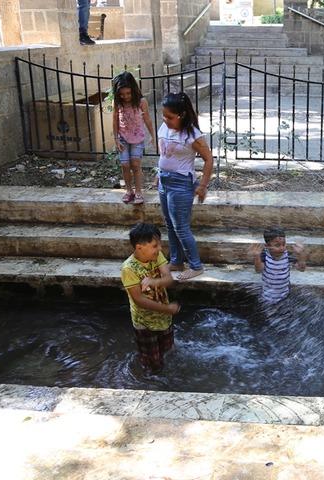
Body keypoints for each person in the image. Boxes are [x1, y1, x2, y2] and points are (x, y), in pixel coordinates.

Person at [156, 92, 214, 281]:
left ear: (181, 115)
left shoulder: (193, 135)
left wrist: (203, 185)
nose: (166, 120)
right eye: (163, 115)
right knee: (170, 225)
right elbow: (164, 154)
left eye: (170, 117)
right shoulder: (164, 127)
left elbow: (208, 160)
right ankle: (176, 260)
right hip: (164, 182)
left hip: (180, 184)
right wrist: (158, 174)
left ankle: (196, 266)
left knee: (181, 227)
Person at [121, 223, 181, 372]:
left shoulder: (157, 255)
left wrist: (155, 281)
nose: (160, 249)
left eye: (159, 244)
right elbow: (139, 300)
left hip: (164, 318)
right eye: (155, 246)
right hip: (144, 323)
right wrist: (167, 308)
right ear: (139, 247)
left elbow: (169, 279)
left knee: (168, 351)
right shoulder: (128, 269)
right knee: (152, 362)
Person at [112, 72, 156, 205]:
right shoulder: (117, 103)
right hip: (123, 138)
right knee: (125, 165)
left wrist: (153, 136)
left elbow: (147, 119)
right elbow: (115, 120)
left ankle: (138, 191)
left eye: (128, 93)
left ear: (133, 90)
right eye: (122, 94)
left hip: (137, 139)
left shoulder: (141, 102)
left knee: (136, 165)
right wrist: (116, 139)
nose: (125, 97)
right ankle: (128, 191)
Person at [248, 227, 307, 305]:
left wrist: (301, 255)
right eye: (277, 245)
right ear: (267, 246)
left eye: (284, 244)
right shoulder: (264, 255)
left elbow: (301, 269)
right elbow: (259, 270)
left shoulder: (288, 255)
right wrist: (256, 256)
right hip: (267, 297)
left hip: (285, 296)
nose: (282, 248)